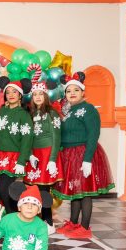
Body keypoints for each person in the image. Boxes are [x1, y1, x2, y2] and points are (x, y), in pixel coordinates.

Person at [53, 72, 115, 239]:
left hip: (83, 154)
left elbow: (93, 134)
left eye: (76, 90)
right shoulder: (69, 111)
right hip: (69, 155)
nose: (72, 93)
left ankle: (85, 227)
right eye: (68, 91)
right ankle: (73, 223)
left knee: (85, 192)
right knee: (75, 190)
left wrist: (87, 160)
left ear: (82, 92)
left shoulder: (89, 109)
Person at [24, 81, 63, 234]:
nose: (38, 97)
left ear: (46, 96)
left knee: (44, 190)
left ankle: (48, 222)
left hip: (47, 154)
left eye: (41, 94)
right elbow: (28, 137)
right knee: (34, 190)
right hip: (35, 155)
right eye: (35, 94)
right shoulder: (31, 114)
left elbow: (56, 137)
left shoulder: (52, 113)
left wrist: (52, 159)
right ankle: (37, 222)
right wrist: (30, 155)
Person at [0, 77, 33, 214]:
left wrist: (21, 161)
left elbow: (27, 139)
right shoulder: (2, 111)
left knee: (3, 188)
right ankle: (11, 215)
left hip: (13, 157)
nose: (11, 95)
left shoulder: (24, 115)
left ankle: (13, 215)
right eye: (8, 92)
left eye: (14, 92)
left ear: (20, 95)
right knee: (1, 189)